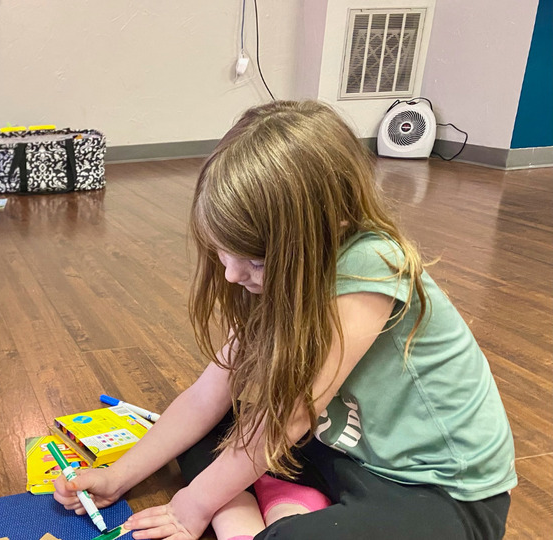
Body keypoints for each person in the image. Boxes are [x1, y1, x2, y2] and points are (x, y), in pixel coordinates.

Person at [53, 101, 516, 540]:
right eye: (224, 255)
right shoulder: (280, 276)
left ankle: (270, 517)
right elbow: (206, 396)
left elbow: (291, 415)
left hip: (439, 491)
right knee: (211, 433)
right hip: (345, 453)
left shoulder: (371, 264)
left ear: (321, 234)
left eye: (253, 262)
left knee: (247, 477)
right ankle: (279, 507)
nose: (232, 275)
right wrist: (117, 476)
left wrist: (190, 507)